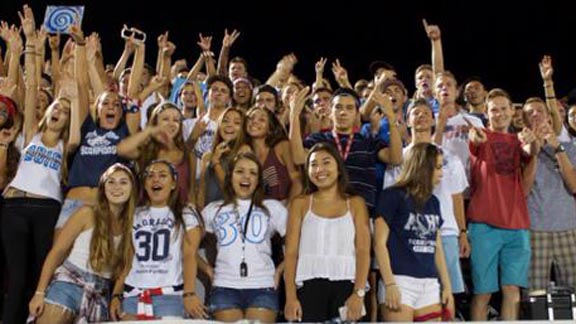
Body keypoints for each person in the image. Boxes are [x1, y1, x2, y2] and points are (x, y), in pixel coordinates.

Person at [1, 7, 81, 322]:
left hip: (47, 210)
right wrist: (29, 42)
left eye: (64, 107)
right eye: (56, 106)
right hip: (13, 207)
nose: (58, 109)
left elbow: (73, 109)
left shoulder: (67, 144)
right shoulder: (29, 133)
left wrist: (72, 96)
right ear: (48, 113)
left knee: (37, 277)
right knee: (16, 279)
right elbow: (32, 87)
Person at [28, 164, 136, 323]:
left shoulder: (133, 224)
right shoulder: (87, 213)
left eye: (123, 182)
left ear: (132, 188)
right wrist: (39, 293)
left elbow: (125, 267)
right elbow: (57, 252)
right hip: (68, 284)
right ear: (103, 188)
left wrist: (116, 297)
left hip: (100, 293)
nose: (116, 187)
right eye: (111, 182)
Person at [467, 88, 537, 320]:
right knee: (483, 293)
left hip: (517, 226)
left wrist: (532, 142)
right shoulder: (481, 135)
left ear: (512, 111)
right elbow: (474, 140)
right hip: (484, 226)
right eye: (494, 110)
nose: (499, 113)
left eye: (504, 108)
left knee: (512, 291)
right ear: (486, 113)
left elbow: (530, 151)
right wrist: (475, 137)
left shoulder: (520, 140)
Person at [284, 143, 370, 322]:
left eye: (326, 162)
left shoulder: (355, 203)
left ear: (338, 168)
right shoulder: (299, 204)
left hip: (348, 286)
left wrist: (359, 294)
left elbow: (363, 251)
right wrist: (290, 298)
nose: (319, 169)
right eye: (313, 164)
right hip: (307, 287)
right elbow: (291, 254)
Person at [110, 160, 205, 320]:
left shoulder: (186, 212)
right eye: (150, 176)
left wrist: (189, 293)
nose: (156, 180)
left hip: (169, 295)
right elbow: (128, 258)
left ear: (173, 184)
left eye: (162, 175)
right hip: (133, 295)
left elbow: (189, 255)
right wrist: (116, 294)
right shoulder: (134, 214)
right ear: (145, 184)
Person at [201, 152, 287, 322]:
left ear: (258, 181)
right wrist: (207, 270)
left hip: (263, 286)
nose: (246, 176)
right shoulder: (213, 209)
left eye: (253, 173)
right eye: (240, 171)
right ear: (230, 176)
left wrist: (279, 270)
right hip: (224, 287)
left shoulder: (273, 208)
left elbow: (297, 245)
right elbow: (187, 245)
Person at [374, 142, 454, 322]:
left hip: (430, 283)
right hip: (399, 280)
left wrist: (446, 286)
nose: (442, 173)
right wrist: (389, 284)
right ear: (424, 168)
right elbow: (379, 244)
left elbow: (437, 247)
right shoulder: (392, 196)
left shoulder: (434, 201)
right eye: (438, 167)